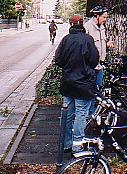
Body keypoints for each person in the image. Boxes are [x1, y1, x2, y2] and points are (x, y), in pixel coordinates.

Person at [55, 14, 99, 153]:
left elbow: (58, 60)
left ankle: (66, 143)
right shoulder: (88, 39)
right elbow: (94, 59)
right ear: (82, 24)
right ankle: (77, 144)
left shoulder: (65, 40)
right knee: (81, 113)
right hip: (84, 84)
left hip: (68, 83)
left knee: (67, 114)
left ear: (71, 25)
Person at [84, 6, 114, 88]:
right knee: (89, 90)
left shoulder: (102, 27)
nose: (105, 19)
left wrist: (106, 45)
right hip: (90, 67)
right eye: (103, 17)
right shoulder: (87, 27)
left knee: (98, 90)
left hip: (100, 65)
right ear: (97, 16)